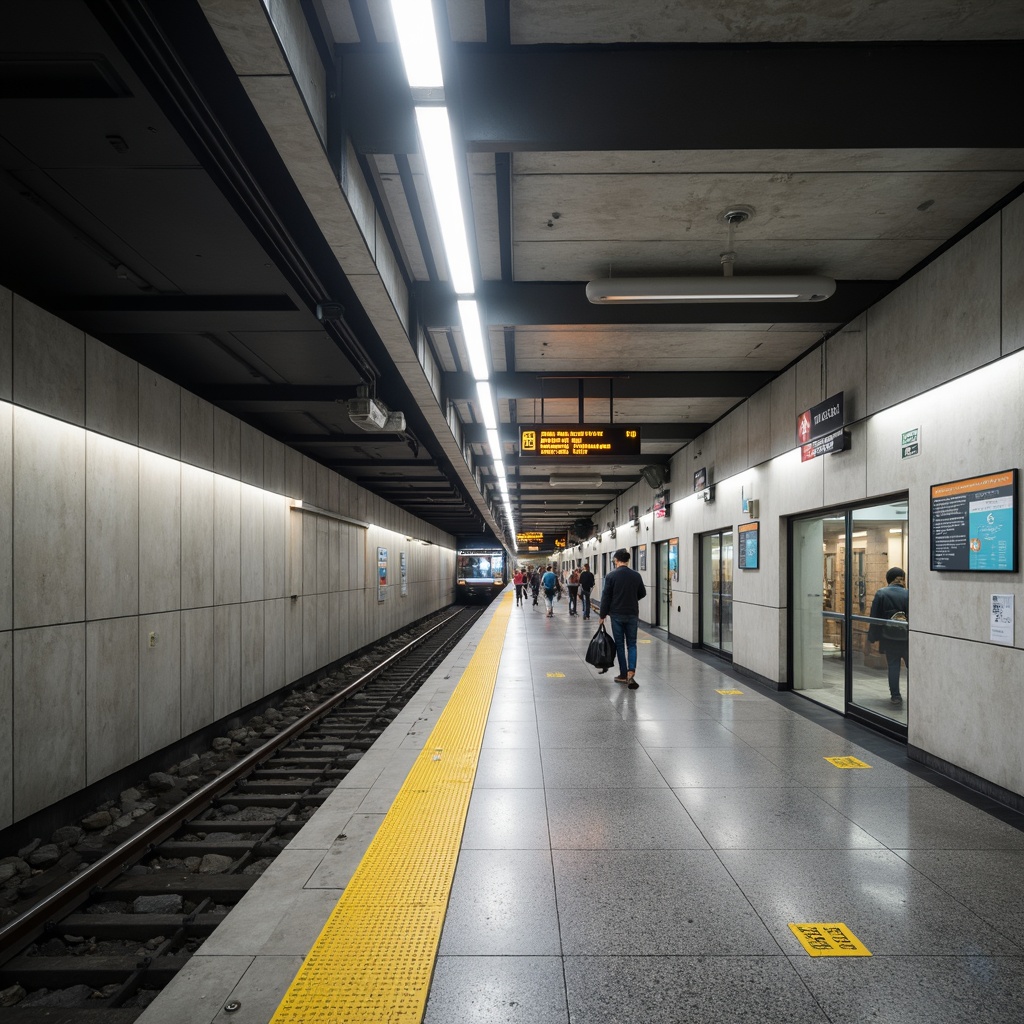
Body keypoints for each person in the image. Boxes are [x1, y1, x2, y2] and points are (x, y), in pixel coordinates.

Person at [598, 548, 646, 688]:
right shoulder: (636, 575)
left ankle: (623, 674)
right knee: (632, 644)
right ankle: (631, 672)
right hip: (632, 613)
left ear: (617, 560)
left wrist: (602, 615)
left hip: (617, 614)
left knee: (620, 644)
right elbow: (642, 593)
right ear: (627, 560)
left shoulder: (611, 576)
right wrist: (631, 598)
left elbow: (605, 597)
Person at [867, 567, 909, 704]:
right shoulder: (908, 594)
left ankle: (896, 696)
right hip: (907, 637)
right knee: (913, 666)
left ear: (888, 579)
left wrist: (871, 638)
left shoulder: (881, 593)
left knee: (893, 665)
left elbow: (874, 618)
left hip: (889, 637)